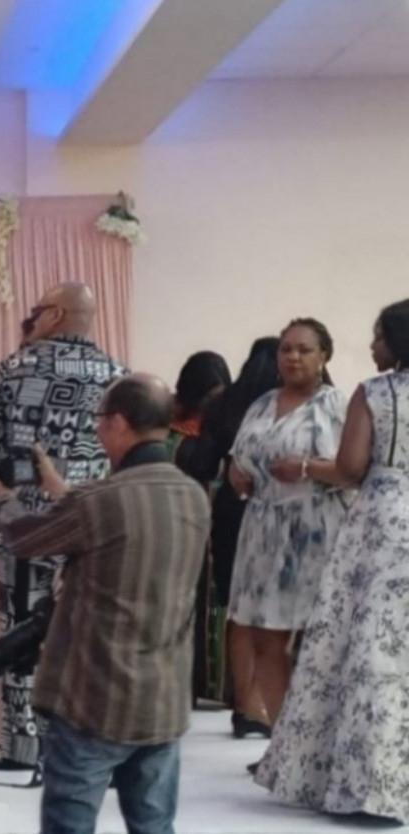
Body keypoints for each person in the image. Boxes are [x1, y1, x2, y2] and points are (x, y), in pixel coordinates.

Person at [0, 374, 210, 834]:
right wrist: (57, 487)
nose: (98, 430)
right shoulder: (193, 495)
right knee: (154, 825)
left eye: (100, 420)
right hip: (162, 699)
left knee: (71, 824)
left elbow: (28, 538)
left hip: (95, 699)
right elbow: (120, 527)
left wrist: (2, 500)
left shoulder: (101, 501)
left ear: (119, 423)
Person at [255, 299, 409, 820]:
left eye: (379, 337)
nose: (372, 346)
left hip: (384, 524)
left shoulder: (377, 391)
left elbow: (349, 468)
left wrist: (301, 466)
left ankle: (362, 783)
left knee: (367, 648)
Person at [0, 282, 126, 788]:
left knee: (22, 635)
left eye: (37, 311)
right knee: (89, 641)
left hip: (26, 531)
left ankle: (23, 754)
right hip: (95, 534)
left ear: (55, 314)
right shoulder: (116, 377)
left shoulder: (15, 369)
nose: (32, 319)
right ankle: (88, 753)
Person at [227, 319, 349, 747]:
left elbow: (353, 471)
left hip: (314, 530)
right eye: (285, 349)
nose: (293, 357)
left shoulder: (337, 405)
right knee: (265, 635)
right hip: (261, 529)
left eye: (303, 349)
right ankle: (284, 747)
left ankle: (317, 745)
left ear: (323, 357)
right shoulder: (261, 403)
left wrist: (305, 468)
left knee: (315, 642)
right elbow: (239, 454)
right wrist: (234, 473)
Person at [182, 339, 279, 738]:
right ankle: (272, 705)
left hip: (231, 512)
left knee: (237, 608)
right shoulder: (296, 408)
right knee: (278, 614)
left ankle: (245, 705)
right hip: (282, 514)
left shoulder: (226, 405)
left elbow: (200, 462)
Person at [165, 351, 231, 706]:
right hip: (178, 530)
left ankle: (216, 687)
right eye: (208, 394)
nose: (214, 402)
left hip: (216, 530)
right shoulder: (167, 430)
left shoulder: (229, 428)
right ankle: (183, 686)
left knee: (216, 603)